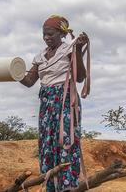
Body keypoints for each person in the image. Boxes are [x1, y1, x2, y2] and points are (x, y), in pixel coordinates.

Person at [20, 15, 90, 192]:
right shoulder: (40, 56)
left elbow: (80, 77)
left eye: (50, 34)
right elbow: (29, 81)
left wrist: (79, 49)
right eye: (44, 34)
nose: (46, 37)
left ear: (61, 33)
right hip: (46, 102)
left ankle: (68, 185)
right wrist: (13, 71)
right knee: (47, 143)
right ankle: (50, 184)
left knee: (65, 140)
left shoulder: (69, 50)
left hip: (65, 98)